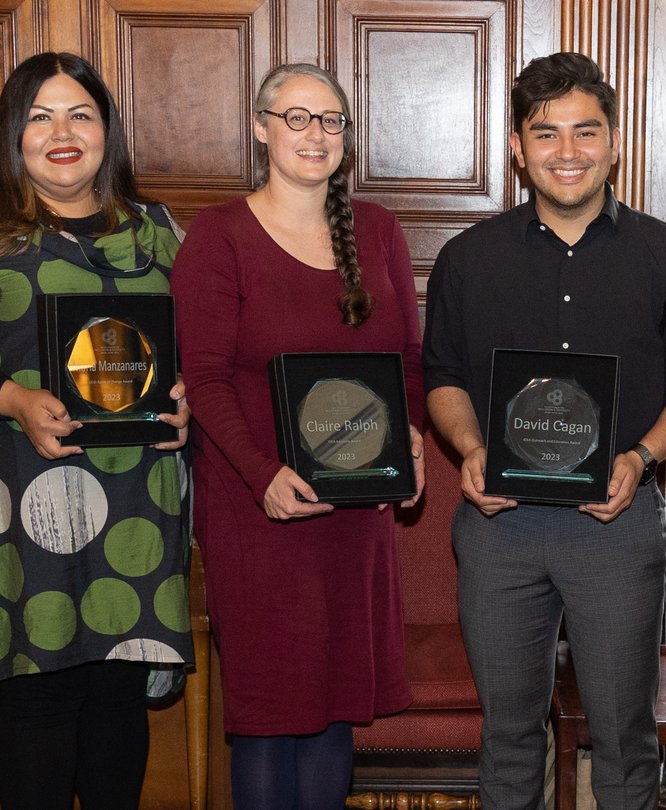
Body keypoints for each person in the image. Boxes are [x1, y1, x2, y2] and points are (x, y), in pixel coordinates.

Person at [0, 52, 191, 810]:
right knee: (40, 695)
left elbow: (194, 349)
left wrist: (189, 398)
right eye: (40, 117)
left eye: (80, 115)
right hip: (19, 494)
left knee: (118, 693)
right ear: (11, 134)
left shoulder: (157, 231)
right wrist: (13, 399)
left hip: (136, 500)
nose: (63, 133)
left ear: (106, 131)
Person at [423, 52, 666, 809]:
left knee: (624, 733)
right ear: (517, 147)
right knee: (509, 734)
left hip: (615, 524)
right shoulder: (466, 259)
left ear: (614, 142)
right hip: (500, 526)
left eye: (586, 131)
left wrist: (643, 456)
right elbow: (443, 376)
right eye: (545, 132)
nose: (567, 151)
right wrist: (471, 448)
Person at [171, 63, 424, 808]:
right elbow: (205, 378)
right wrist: (263, 477)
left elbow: (409, 360)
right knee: (270, 710)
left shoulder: (377, 230)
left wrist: (409, 437)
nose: (316, 134)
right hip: (259, 510)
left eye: (330, 120)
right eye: (297, 118)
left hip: (357, 508)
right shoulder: (219, 235)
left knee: (336, 703)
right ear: (261, 129)